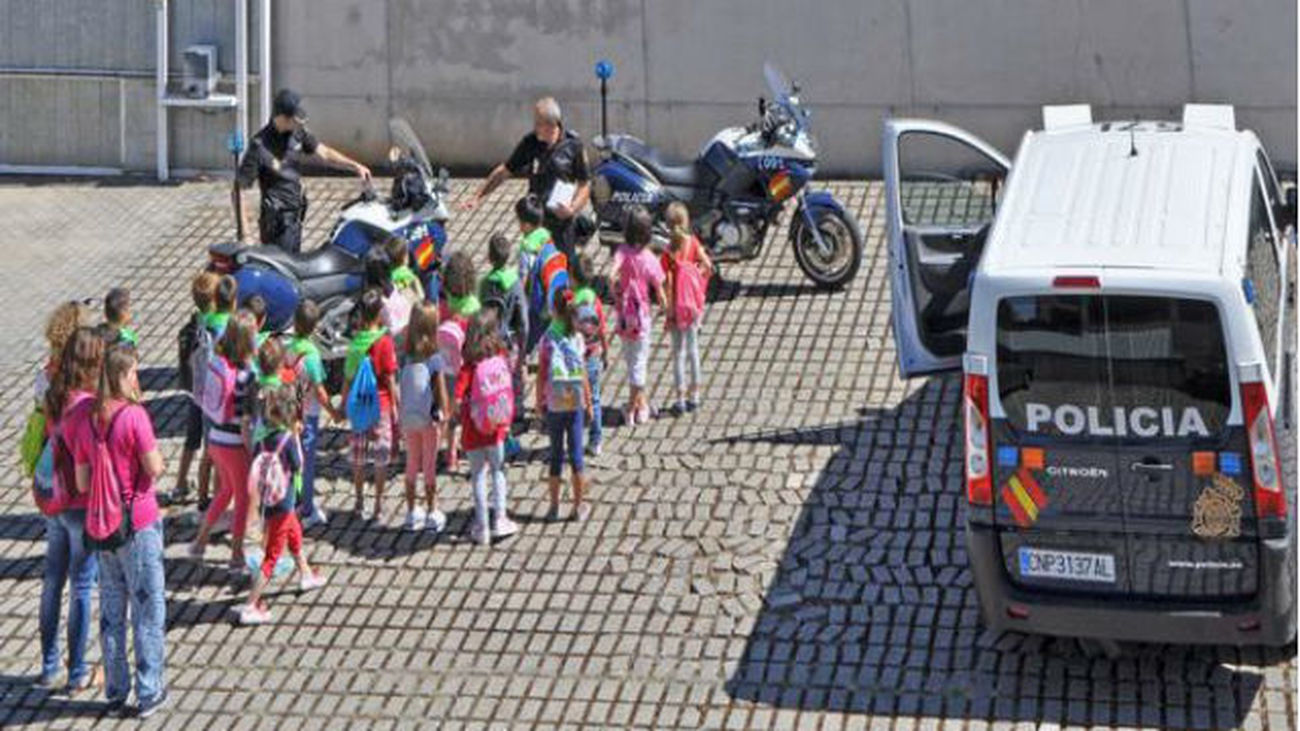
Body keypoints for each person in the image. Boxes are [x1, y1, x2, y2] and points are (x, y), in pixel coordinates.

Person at [72, 342, 168, 717]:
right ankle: (149, 691)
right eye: (135, 373)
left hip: (101, 527)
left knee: (112, 610)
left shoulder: (85, 417)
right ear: (124, 376)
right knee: (147, 608)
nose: (138, 379)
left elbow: (82, 482)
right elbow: (155, 468)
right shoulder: (134, 417)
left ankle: (115, 690)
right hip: (138, 523)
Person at [35, 320, 101, 694]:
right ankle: (77, 672)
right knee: (81, 586)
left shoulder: (54, 395)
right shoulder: (88, 406)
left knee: (51, 581)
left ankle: (48, 666)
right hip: (79, 503)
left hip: (54, 500)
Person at [234, 88, 372, 252]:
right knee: (283, 270)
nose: (300, 124)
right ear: (283, 118)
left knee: (295, 261)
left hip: (295, 218)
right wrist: (245, 233)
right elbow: (239, 189)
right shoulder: (259, 146)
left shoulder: (297, 133)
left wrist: (354, 165)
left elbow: (325, 153)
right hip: (276, 224)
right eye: (295, 120)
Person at [237, 386, 327, 625]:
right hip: (284, 503)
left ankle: (306, 573)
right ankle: (250, 605)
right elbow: (299, 464)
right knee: (271, 558)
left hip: (269, 500)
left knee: (294, 532)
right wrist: (295, 437)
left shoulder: (262, 438)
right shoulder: (287, 439)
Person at [461, 97, 590, 257]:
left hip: (561, 226)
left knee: (560, 272)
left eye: (538, 123)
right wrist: (478, 196)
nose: (535, 127)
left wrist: (572, 209)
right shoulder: (530, 143)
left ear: (551, 125)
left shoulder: (573, 145)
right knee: (533, 271)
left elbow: (584, 185)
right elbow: (505, 171)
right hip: (535, 224)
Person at [189, 312, 259, 569]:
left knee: (225, 491)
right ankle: (237, 554)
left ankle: (200, 541)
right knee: (243, 498)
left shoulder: (218, 363)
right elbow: (244, 422)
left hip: (215, 439)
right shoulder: (246, 376)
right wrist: (252, 451)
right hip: (234, 444)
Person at [456, 311, 518, 546]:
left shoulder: (468, 367)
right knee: (498, 472)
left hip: (474, 431)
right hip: (497, 428)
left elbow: (458, 397)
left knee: (478, 476)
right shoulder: (499, 356)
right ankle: (500, 518)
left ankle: (481, 527)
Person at [343, 288, 400, 523]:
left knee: (358, 455)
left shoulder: (355, 344)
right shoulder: (385, 343)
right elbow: (389, 378)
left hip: (358, 407)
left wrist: (342, 406)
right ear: (378, 315)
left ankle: (358, 501)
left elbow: (347, 378)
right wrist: (396, 405)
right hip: (381, 405)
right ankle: (378, 504)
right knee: (380, 456)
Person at [536, 290, 592, 522]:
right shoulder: (577, 338)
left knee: (556, 455)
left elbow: (541, 375)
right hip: (574, 402)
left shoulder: (547, 339)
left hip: (554, 403)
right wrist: (588, 400)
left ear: (553, 310)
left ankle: (554, 507)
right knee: (577, 455)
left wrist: (539, 402)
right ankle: (578, 507)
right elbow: (583, 372)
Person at [167, 272, 220, 508]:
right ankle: (207, 496)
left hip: (195, 392)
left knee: (191, 439)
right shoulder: (216, 324)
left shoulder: (195, 320)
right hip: (211, 396)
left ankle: (180, 484)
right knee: (211, 448)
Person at [286, 301, 340, 529]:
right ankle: (306, 510)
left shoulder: (289, 347)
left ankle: (293, 501)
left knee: (292, 460)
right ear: (315, 327)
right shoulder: (312, 356)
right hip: (308, 415)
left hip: (290, 411)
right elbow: (319, 390)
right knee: (306, 464)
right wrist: (334, 412)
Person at [398, 302, 450, 532]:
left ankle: (410, 512)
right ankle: (432, 511)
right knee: (429, 465)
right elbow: (440, 392)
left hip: (409, 419)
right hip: (429, 421)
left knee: (411, 463)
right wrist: (445, 415)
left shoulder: (406, 357)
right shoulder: (434, 359)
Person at [613, 205, 666, 426]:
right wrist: (665, 308)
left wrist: (614, 285)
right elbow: (660, 288)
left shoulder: (622, 251)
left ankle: (640, 403)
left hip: (624, 317)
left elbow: (612, 271)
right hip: (642, 317)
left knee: (630, 358)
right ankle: (634, 407)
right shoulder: (649, 257)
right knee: (639, 362)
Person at [661, 202, 712, 415]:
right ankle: (695, 396)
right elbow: (708, 266)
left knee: (678, 353)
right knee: (693, 350)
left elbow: (664, 282)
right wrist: (697, 280)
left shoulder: (668, 252)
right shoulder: (692, 243)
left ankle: (680, 398)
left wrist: (667, 308)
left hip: (676, 308)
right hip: (692, 306)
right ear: (686, 222)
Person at [480, 232, 529, 439]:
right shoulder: (514, 283)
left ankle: (496, 413)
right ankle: (516, 416)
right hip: (509, 341)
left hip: (490, 340)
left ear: (489, 257)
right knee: (515, 378)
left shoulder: (484, 283)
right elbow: (523, 320)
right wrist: (524, 346)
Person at [571, 251, 608, 457]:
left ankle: (576, 439)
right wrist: (606, 351)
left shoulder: (572, 306)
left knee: (575, 402)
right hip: (593, 355)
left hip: (576, 360)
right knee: (594, 398)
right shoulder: (596, 302)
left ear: (573, 278)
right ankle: (596, 439)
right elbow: (602, 328)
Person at [384, 234, 425, 303]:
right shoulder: (406, 274)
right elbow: (421, 296)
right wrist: (416, 280)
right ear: (404, 257)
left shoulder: (390, 269)